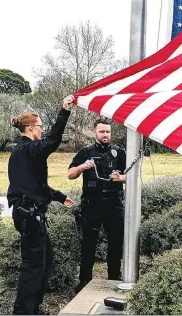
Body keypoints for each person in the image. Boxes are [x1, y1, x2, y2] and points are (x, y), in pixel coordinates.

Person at [7, 95, 75, 315]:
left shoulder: (25, 153)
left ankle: (32, 308)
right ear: (29, 128)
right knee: (33, 267)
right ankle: (24, 312)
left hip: (31, 214)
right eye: (39, 126)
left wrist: (60, 197)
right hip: (29, 216)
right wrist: (64, 111)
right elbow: (53, 141)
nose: (42, 130)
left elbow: (37, 186)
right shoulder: (27, 150)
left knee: (44, 261)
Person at [68, 118, 126, 293]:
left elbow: (133, 176)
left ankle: (114, 278)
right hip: (91, 205)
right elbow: (70, 174)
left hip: (114, 204)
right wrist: (81, 168)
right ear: (95, 133)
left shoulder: (119, 152)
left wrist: (121, 178)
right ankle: (84, 280)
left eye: (108, 132)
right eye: (102, 132)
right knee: (88, 245)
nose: (105, 135)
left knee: (115, 244)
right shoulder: (86, 152)